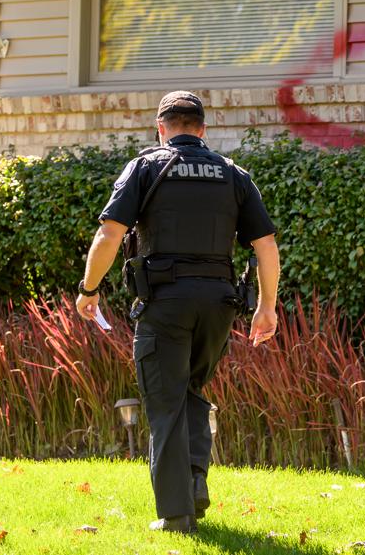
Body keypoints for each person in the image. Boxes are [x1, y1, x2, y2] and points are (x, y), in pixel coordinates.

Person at [75, 90, 280, 534]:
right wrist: (267, 308)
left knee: (164, 402)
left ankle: (176, 515)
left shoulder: (147, 166)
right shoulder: (232, 173)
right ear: (203, 130)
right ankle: (195, 486)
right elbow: (265, 245)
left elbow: (110, 235)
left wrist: (88, 289)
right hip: (219, 304)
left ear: (161, 128)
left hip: (165, 301)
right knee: (190, 391)